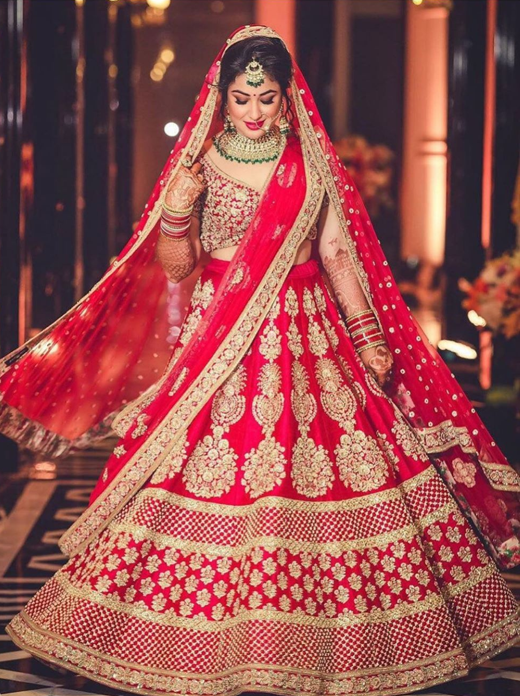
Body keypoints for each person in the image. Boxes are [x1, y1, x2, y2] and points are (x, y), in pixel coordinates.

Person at [3, 24, 520, 696]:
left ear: (286, 98)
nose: (253, 111)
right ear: (221, 98)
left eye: (266, 98)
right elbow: (180, 269)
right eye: (241, 98)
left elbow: (336, 253)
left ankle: (332, 642)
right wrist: (178, 217)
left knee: (334, 470)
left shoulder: (309, 166)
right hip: (223, 346)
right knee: (213, 474)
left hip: (312, 343)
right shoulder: (200, 168)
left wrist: (367, 334)